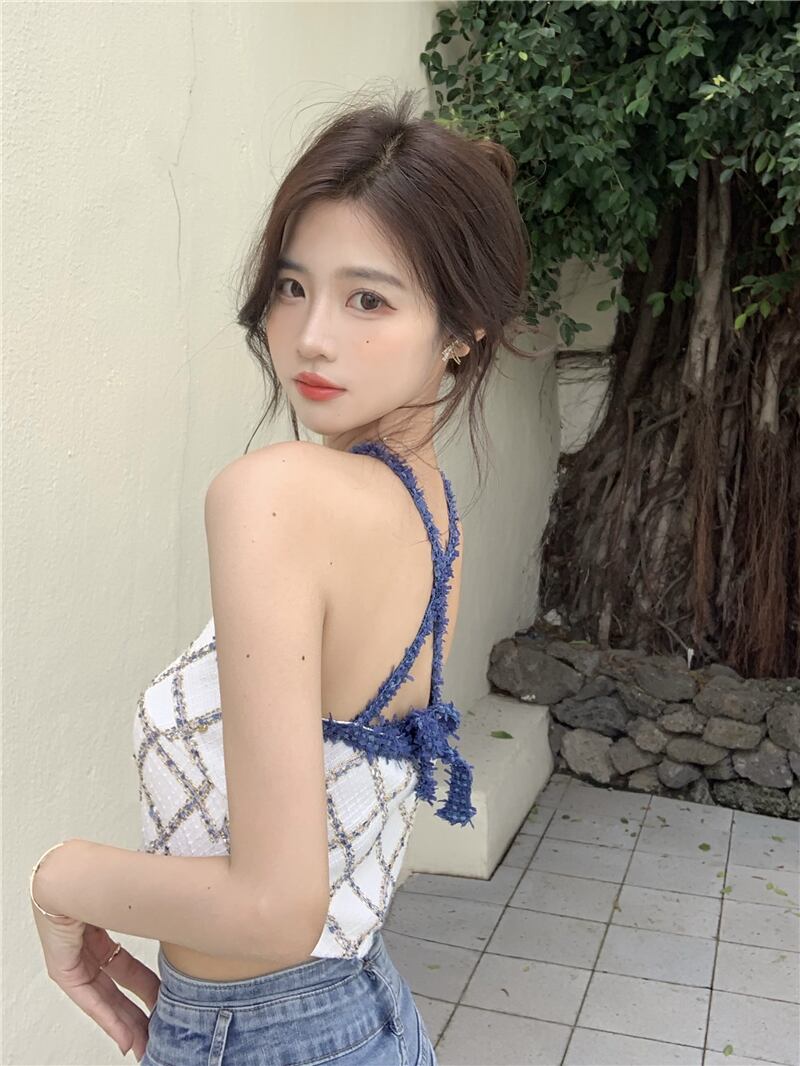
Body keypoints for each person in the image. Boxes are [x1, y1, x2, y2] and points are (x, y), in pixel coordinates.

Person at [29, 87, 533, 1064]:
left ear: (462, 328)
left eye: (367, 299)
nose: (310, 336)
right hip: (365, 1015)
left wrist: (61, 880)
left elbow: (271, 908)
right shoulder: (431, 512)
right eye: (293, 286)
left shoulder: (276, 493)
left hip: (258, 1035)